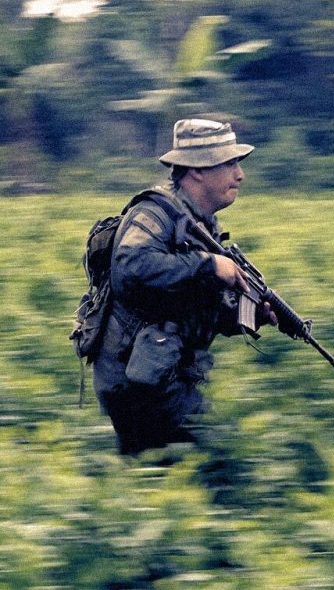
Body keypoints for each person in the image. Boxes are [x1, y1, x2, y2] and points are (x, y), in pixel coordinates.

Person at [92, 118, 277, 455]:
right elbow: (132, 265)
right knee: (210, 464)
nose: (240, 174)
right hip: (138, 381)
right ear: (197, 170)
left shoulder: (200, 223)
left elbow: (191, 306)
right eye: (229, 163)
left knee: (170, 477)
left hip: (164, 374)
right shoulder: (154, 213)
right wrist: (210, 265)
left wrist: (248, 316)